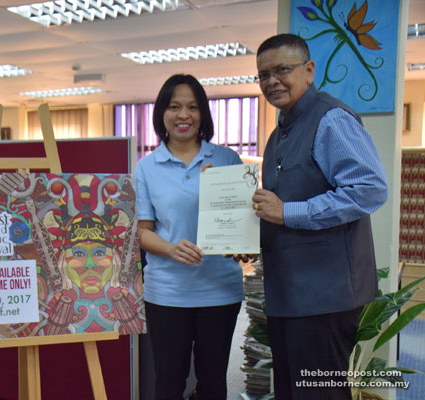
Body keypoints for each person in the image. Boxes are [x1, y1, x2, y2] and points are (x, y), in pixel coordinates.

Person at [251, 34, 388, 399]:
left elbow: (369, 189)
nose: (272, 81)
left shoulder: (330, 119)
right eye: (263, 75)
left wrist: (288, 213)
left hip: (324, 298)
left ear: (309, 71)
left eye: (282, 69)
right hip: (290, 295)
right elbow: (278, 205)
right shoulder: (280, 131)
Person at [134, 74, 244, 400]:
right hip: (167, 291)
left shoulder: (226, 159)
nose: (184, 115)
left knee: (212, 384)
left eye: (193, 107)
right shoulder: (146, 167)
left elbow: (241, 223)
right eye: (175, 107)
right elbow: (142, 232)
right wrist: (170, 249)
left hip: (220, 290)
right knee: (169, 383)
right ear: (162, 114)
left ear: (203, 114)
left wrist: (241, 239)